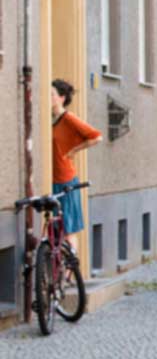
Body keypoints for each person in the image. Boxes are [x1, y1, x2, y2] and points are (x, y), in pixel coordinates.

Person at [51, 79, 103, 253]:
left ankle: (71, 267)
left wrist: (74, 150)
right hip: (50, 179)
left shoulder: (68, 118)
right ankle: (57, 268)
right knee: (54, 231)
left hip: (65, 180)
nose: (48, 97)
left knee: (68, 230)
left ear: (62, 98)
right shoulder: (48, 119)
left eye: (52, 94)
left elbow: (96, 137)